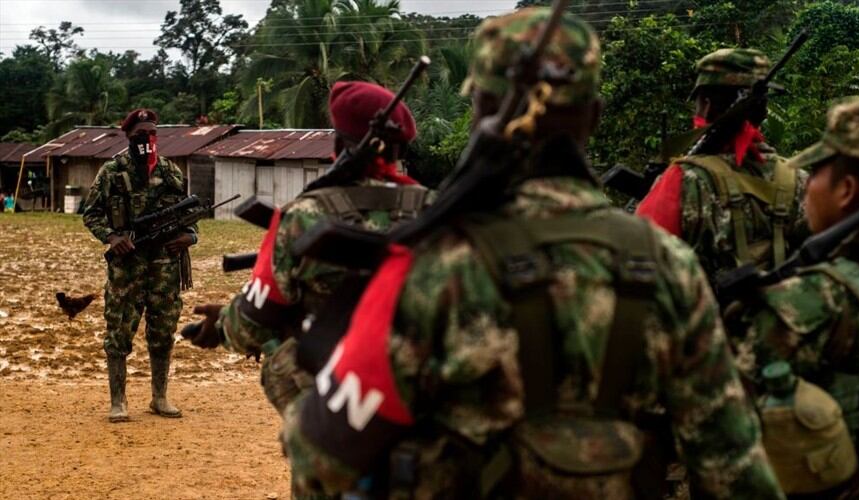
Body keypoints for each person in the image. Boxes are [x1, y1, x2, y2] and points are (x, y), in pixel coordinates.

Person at [273, 8, 783, 499]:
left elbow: (323, 457)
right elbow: (734, 469)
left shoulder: (436, 263)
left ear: (480, 116)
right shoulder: (672, 267)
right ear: (595, 116)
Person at [186, 81, 431, 415]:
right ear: (400, 149)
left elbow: (253, 323)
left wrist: (221, 327)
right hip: (422, 383)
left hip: (339, 391)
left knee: (280, 349)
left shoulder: (306, 214)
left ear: (336, 143)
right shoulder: (435, 210)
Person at [728, 96, 859, 498]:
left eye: (817, 171)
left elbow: (726, 438)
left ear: (847, 190)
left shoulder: (805, 304)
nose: (806, 186)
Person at [635, 48, 808, 283]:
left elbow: (640, 269)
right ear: (763, 112)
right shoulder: (799, 180)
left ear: (705, 106)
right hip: (784, 317)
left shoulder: (682, 181)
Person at [82, 108, 196, 422]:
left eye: (151, 134)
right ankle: (118, 402)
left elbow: (189, 216)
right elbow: (90, 214)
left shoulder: (171, 172)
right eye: (139, 136)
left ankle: (159, 398)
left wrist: (190, 237)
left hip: (165, 267)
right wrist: (111, 237)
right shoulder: (111, 172)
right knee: (118, 332)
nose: (147, 140)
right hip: (127, 267)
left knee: (163, 331)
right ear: (128, 137)